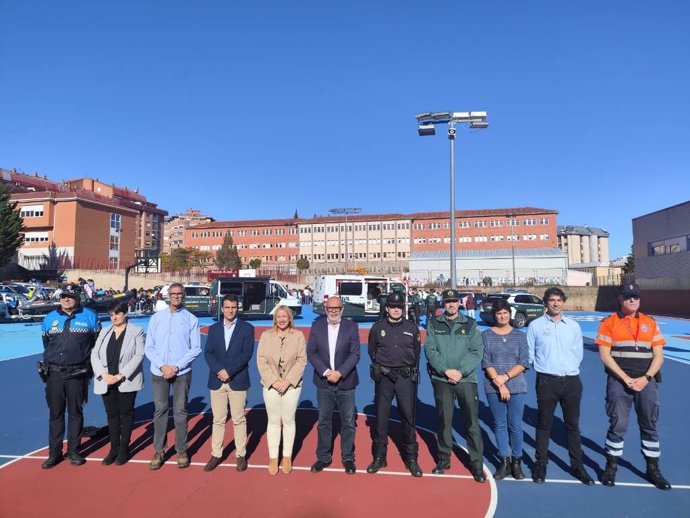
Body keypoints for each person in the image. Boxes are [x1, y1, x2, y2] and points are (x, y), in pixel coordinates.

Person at [595, 283, 670, 490]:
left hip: (646, 382)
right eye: (628, 297)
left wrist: (646, 377)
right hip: (619, 383)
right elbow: (604, 355)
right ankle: (611, 467)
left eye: (635, 297)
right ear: (620, 299)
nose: (632, 300)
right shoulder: (608, 323)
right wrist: (625, 378)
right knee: (618, 424)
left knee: (649, 424)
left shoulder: (650, 323)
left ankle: (652, 469)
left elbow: (659, 356)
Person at [526, 287, 594, 485]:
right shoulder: (535, 326)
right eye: (551, 300)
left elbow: (577, 352)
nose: (555, 303)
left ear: (563, 302)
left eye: (558, 300)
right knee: (544, 424)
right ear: (545, 303)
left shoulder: (573, 326)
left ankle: (577, 465)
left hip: (572, 381)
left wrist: (569, 370)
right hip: (547, 381)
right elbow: (530, 354)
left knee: (572, 426)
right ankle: (540, 464)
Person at [424, 289, 486, 482]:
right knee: (444, 421)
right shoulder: (434, 324)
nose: (451, 304)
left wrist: (460, 371)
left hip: (466, 380)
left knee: (472, 423)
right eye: (448, 301)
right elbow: (430, 350)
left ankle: (476, 464)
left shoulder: (470, 324)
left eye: (454, 301)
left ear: (460, 303)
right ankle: (444, 459)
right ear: (443, 304)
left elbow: (477, 351)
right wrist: (445, 371)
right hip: (442, 380)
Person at [40, 287, 101, 468]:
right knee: (55, 414)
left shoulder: (90, 316)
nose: (66, 300)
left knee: (75, 413)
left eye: (70, 297)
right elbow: (46, 344)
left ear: (77, 298)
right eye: (63, 297)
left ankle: (74, 452)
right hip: (54, 373)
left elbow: (96, 345)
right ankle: (55, 454)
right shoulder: (49, 318)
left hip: (77, 373)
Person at [144, 282, 201, 470]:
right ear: (168, 295)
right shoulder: (156, 318)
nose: (176, 296)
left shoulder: (191, 319)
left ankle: (181, 449)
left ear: (184, 295)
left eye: (180, 294)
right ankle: (159, 450)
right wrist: (162, 366)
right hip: (159, 372)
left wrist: (176, 367)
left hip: (181, 373)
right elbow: (149, 347)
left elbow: (195, 348)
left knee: (180, 412)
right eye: (173, 293)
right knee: (160, 411)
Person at [367, 291, 423, 477]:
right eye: (392, 306)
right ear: (387, 308)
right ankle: (379, 457)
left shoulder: (412, 328)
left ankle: (411, 458)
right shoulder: (377, 328)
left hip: (405, 378)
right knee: (381, 418)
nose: (396, 309)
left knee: (408, 418)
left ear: (403, 309)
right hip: (384, 378)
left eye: (399, 307)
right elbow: (372, 351)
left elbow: (416, 353)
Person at [306, 296, 360, 474]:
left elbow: (355, 354)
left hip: (346, 381)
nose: (334, 311)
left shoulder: (351, 327)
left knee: (348, 422)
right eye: (330, 308)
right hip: (323, 381)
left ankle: (348, 458)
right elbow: (311, 352)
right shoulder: (317, 326)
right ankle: (323, 457)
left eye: (337, 308)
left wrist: (340, 373)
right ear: (325, 309)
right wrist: (327, 372)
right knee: (324, 422)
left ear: (342, 309)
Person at [203, 295, 255, 473]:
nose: (230, 310)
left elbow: (246, 354)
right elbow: (208, 353)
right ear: (222, 308)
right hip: (217, 380)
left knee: (239, 419)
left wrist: (229, 371)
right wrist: (220, 371)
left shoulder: (247, 329)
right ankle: (216, 454)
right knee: (218, 420)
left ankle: (240, 455)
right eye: (227, 307)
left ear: (237, 308)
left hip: (237, 380)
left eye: (233, 307)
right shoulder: (214, 329)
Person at [90, 301, 145, 465]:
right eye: (111, 315)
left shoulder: (137, 331)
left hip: (126, 380)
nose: (114, 317)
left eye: (117, 314)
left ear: (125, 314)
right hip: (106, 380)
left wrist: (121, 375)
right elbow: (94, 354)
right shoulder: (104, 332)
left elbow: (138, 356)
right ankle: (113, 448)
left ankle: (123, 449)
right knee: (112, 415)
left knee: (126, 414)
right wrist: (103, 374)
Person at [481, 299, 529, 480]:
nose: (502, 316)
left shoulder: (520, 335)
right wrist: (499, 383)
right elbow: (486, 361)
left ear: (510, 314)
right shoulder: (486, 335)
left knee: (515, 425)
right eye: (499, 313)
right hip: (493, 387)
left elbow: (524, 362)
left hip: (516, 386)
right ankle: (505, 460)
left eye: (505, 313)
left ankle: (517, 461)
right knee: (499, 425)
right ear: (494, 315)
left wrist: (506, 378)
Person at [257, 305, 307, 475]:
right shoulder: (266, 336)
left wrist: (287, 382)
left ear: (290, 318)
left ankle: (287, 456)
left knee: (288, 420)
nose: (282, 319)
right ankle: (273, 457)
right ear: (275, 319)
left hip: (291, 386)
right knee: (273, 420)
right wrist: (274, 381)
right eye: (279, 316)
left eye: (285, 316)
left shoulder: (298, 336)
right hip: (271, 385)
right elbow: (261, 360)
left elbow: (301, 361)